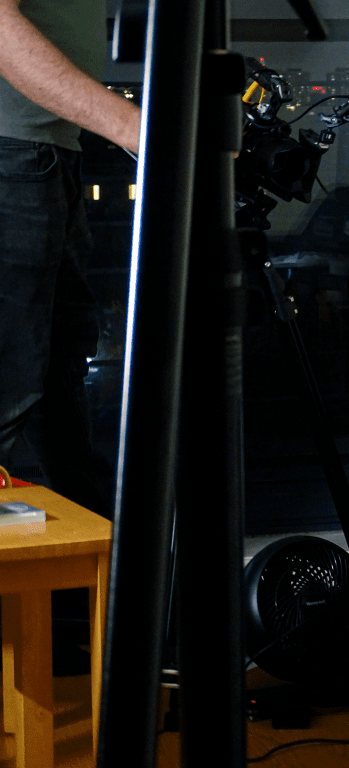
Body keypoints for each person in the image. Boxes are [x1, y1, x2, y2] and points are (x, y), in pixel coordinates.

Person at [0, 0, 141, 675]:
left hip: (48, 156)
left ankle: (87, 651)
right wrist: (135, 128)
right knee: (9, 406)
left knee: (56, 421)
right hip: (7, 160)